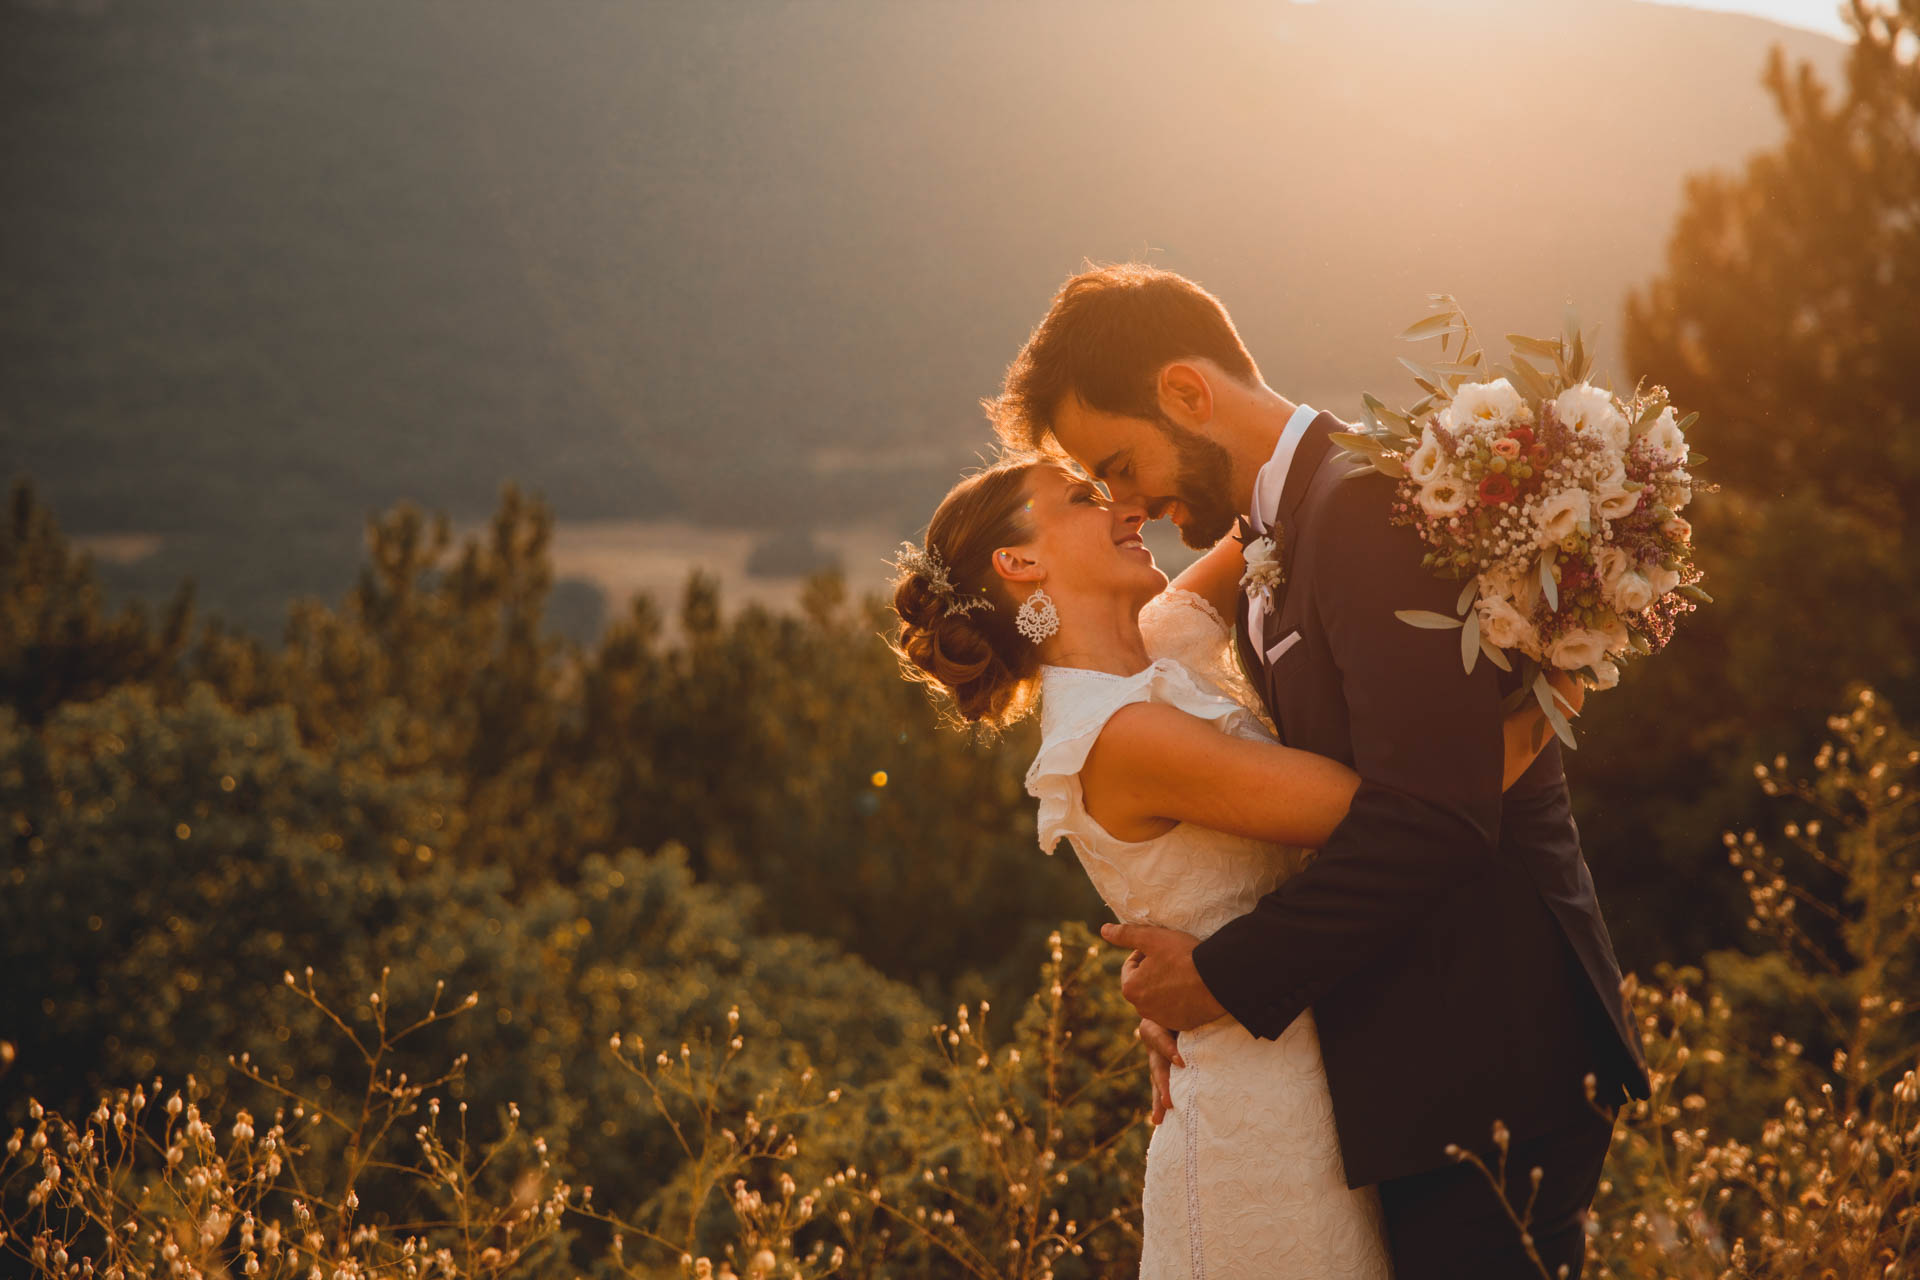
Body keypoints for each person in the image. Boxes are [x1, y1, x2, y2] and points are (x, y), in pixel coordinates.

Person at [982, 263, 1653, 1279]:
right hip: (1420, 1055)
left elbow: (1430, 815)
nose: (1131, 504)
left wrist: (1216, 975)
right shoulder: (1280, 521)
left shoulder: (1356, 508)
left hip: (1486, 1042)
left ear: (1186, 394)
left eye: (1119, 465)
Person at [892, 455, 1591, 1278]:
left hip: (1333, 1059)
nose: (1124, 508)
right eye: (1084, 499)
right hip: (1266, 1120)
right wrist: (1566, 668)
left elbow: (1284, 499)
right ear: (1020, 563)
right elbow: (1401, 810)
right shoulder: (1119, 737)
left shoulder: (1165, 636)